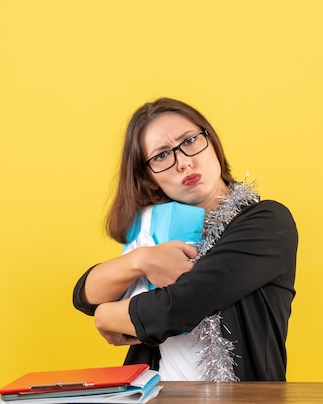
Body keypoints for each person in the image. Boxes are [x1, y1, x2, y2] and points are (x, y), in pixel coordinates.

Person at [72, 97, 298, 382]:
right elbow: (84, 296)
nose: (183, 162)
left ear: (212, 142)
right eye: (161, 156)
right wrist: (140, 260)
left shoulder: (268, 222)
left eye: (189, 140)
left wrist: (105, 316)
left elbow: (179, 307)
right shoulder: (154, 228)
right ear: (150, 176)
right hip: (158, 396)